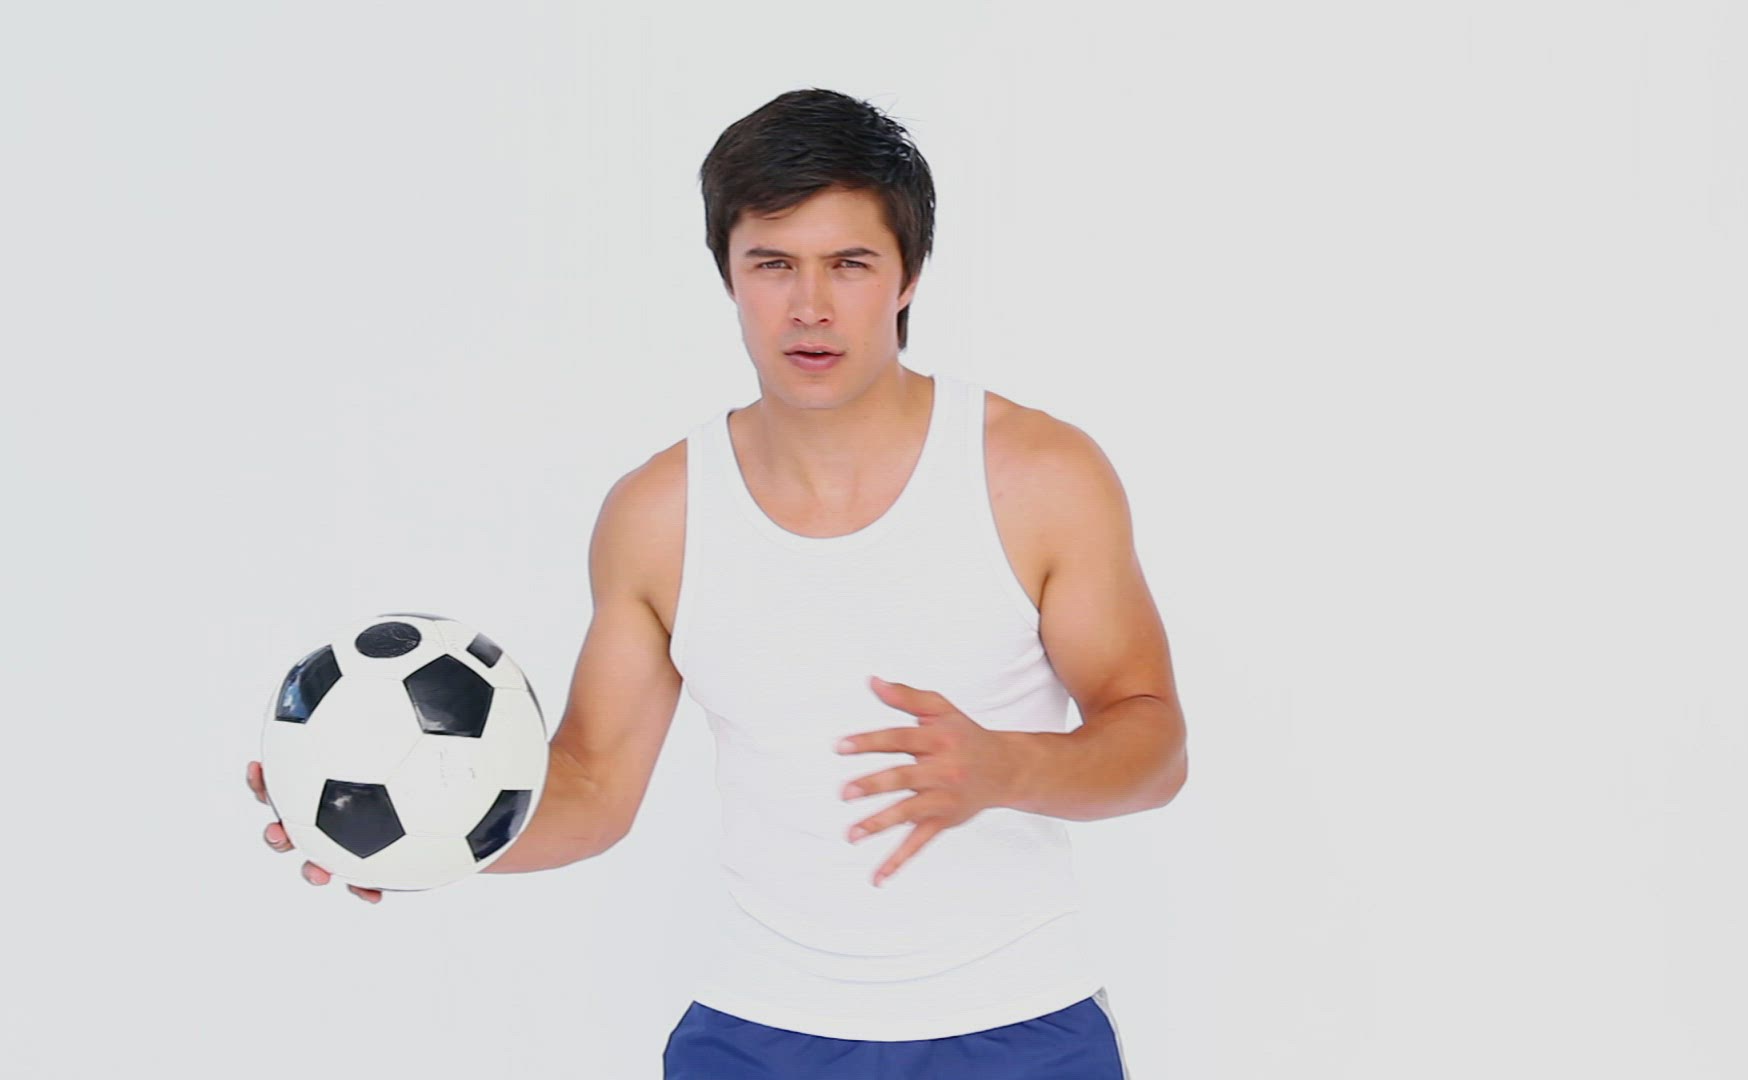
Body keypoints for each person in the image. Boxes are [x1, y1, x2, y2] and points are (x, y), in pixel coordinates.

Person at [246, 87, 1185, 1079]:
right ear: (729, 273)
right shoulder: (659, 516)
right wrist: (416, 828)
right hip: (758, 1030)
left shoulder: (1038, 477)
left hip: (1016, 1025)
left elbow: (1155, 744)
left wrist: (1006, 768)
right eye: (773, 264)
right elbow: (593, 787)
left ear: (908, 276)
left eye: (849, 264)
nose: (809, 306)